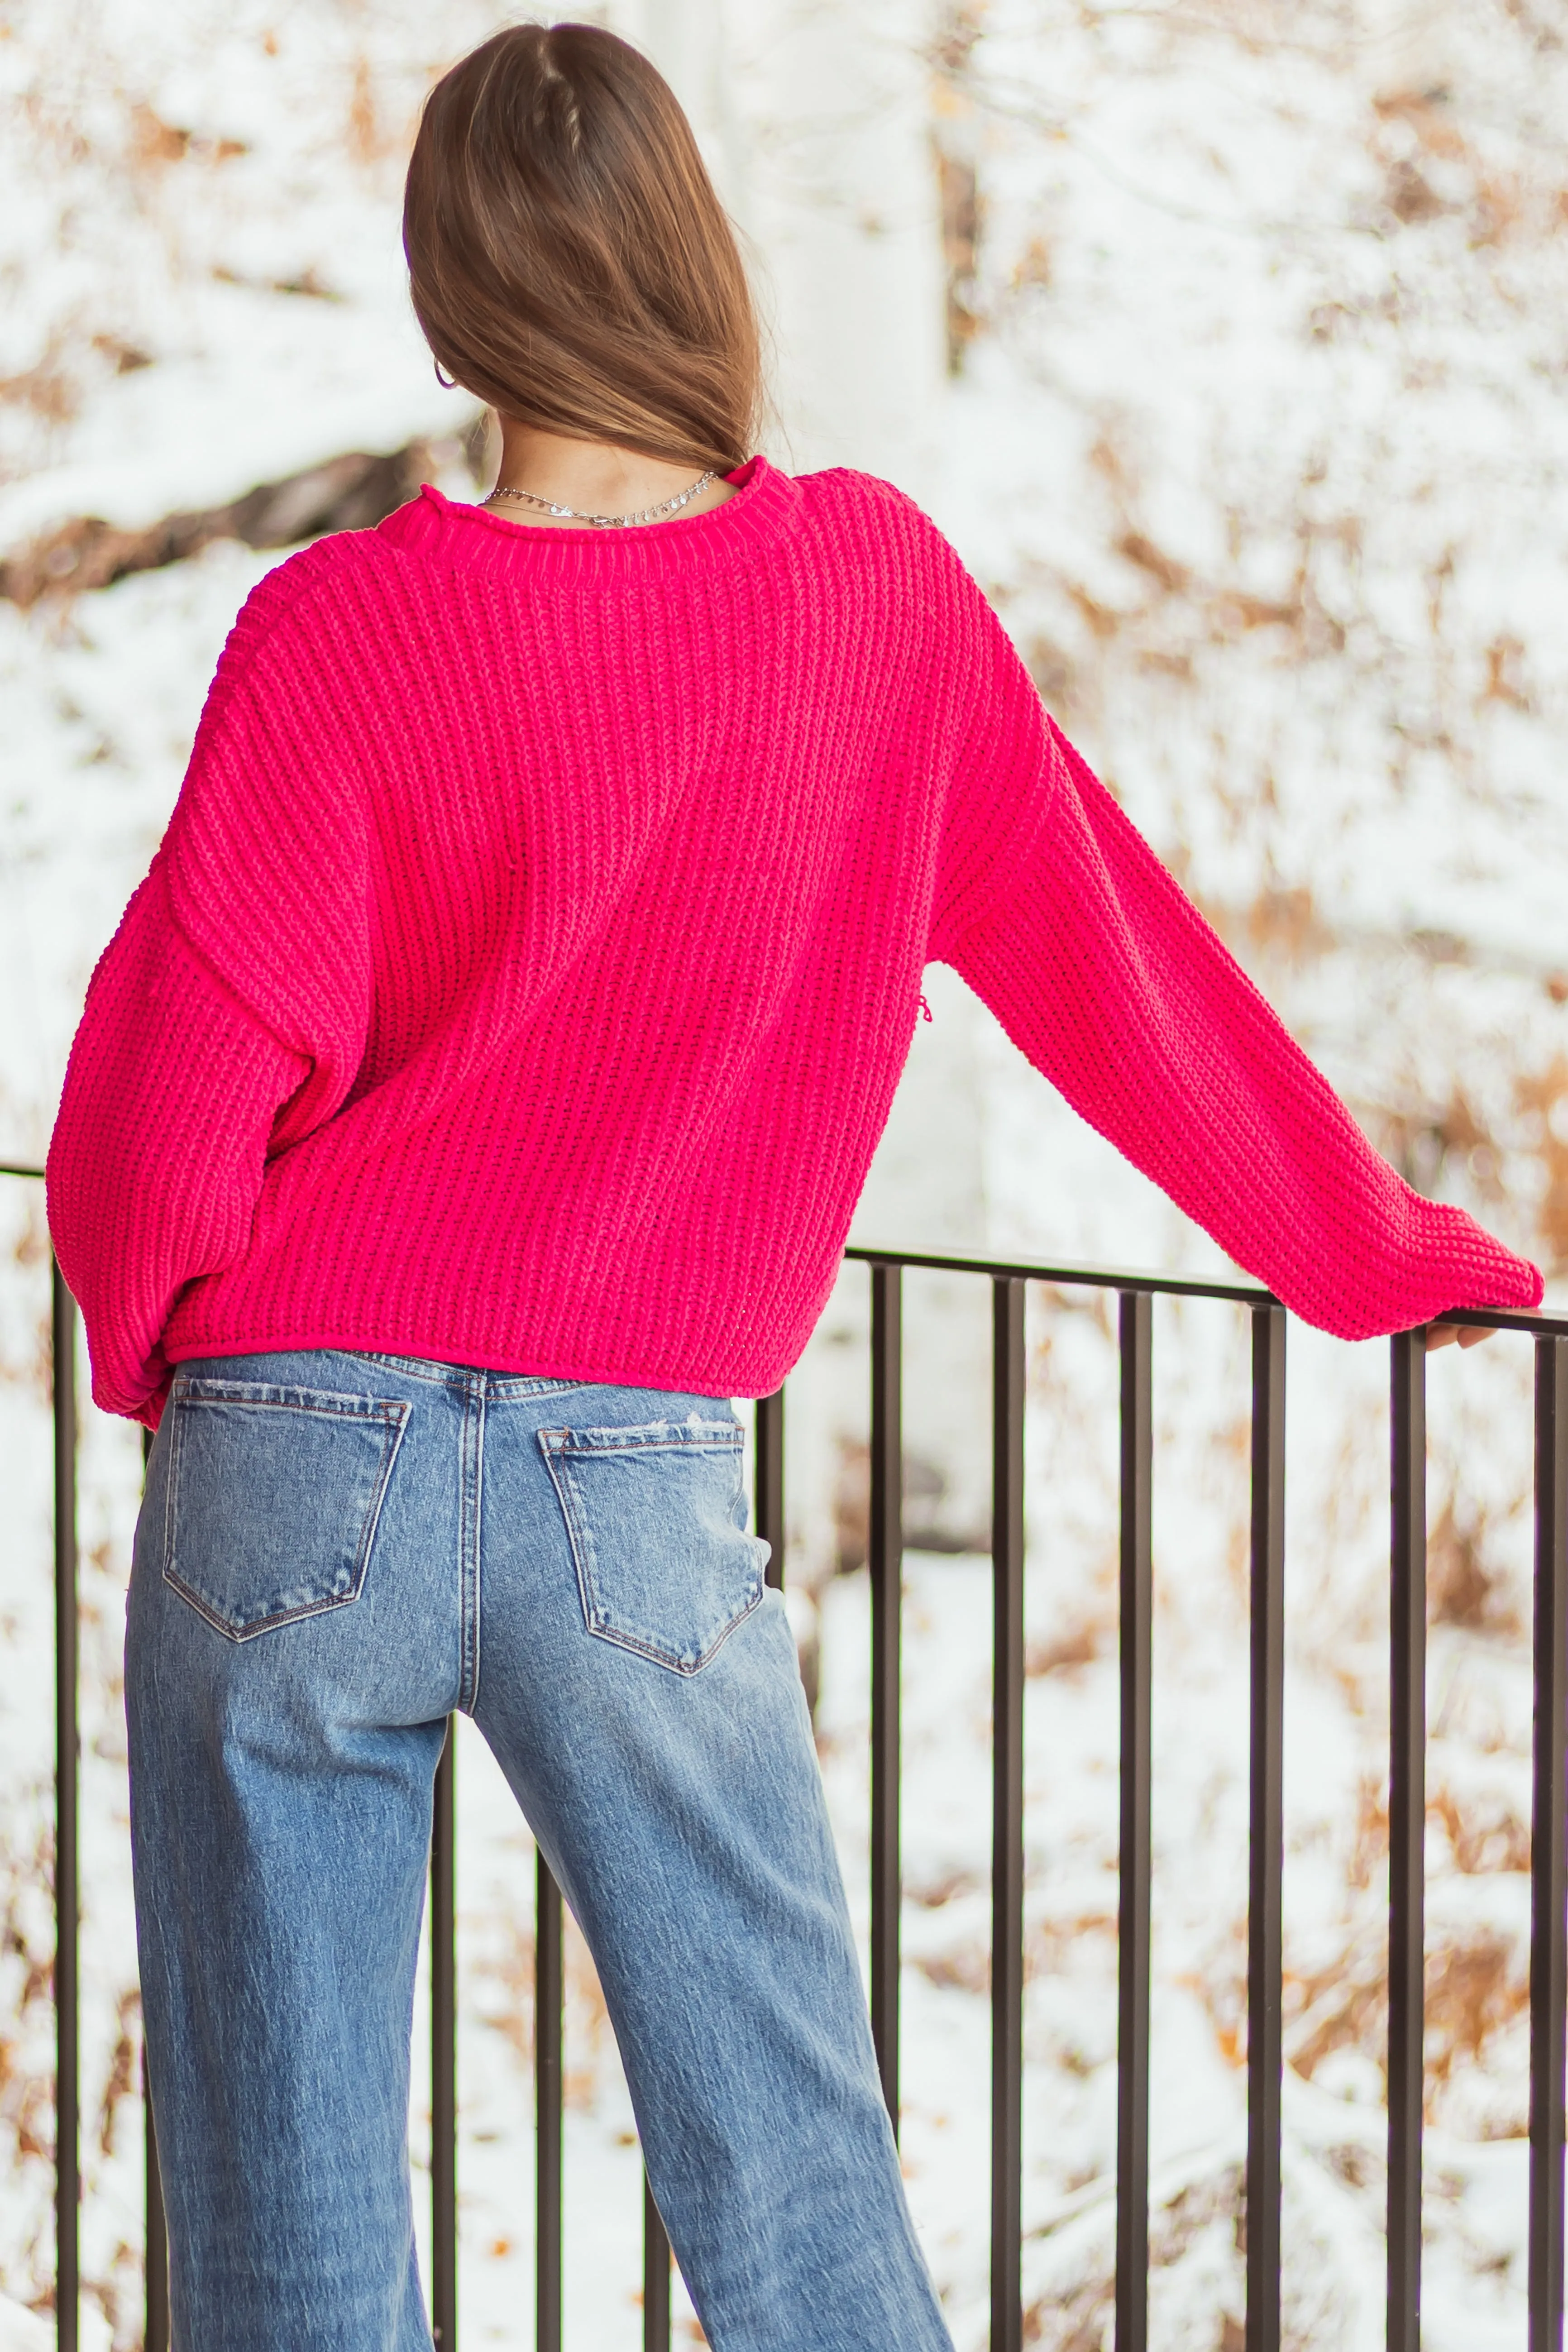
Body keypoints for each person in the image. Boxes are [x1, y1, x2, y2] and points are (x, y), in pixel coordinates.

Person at [45, 19, 1538, 2352]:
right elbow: (1116, 975)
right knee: (785, 2162)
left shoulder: (330, 635)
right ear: (693, 259)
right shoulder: (866, 608)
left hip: (289, 1449)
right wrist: (1361, 1252)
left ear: (446, 292)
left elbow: (165, 1105)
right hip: (629, 1470)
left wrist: (177, 1359)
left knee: (287, 2191)